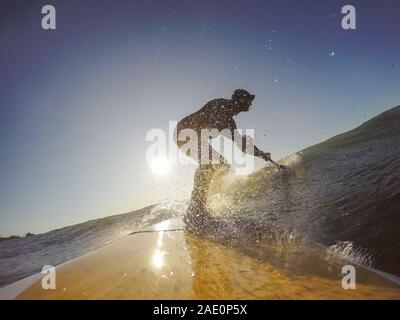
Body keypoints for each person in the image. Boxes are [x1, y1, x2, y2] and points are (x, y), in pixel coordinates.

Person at [174, 89, 276, 230]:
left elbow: (241, 145)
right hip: (183, 132)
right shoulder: (219, 105)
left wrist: (261, 154)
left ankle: (202, 205)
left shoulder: (229, 121)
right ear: (239, 100)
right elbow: (216, 125)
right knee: (212, 164)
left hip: (196, 137)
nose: (250, 103)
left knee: (223, 166)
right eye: (248, 100)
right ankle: (196, 211)